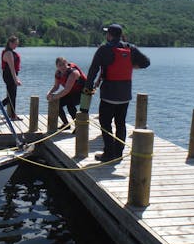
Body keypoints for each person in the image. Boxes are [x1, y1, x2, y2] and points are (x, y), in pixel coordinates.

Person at [85, 24, 150, 162]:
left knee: (105, 123)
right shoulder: (130, 48)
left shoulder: (103, 49)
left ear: (109, 35)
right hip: (125, 95)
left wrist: (88, 88)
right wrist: (129, 66)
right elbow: (146, 63)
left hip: (109, 95)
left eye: (106, 33)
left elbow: (93, 70)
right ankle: (118, 153)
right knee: (121, 123)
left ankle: (108, 153)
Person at [46, 57, 87, 130]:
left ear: (67, 64)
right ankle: (66, 124)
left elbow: (66, 90)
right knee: (57, 103)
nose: (62, 67)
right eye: (59, 65)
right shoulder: (58, 73)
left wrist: (54, 97)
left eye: (63, 64)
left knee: (70, 105)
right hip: (72, 92)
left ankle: (78, 127)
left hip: (83, 92)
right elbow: (56, 86)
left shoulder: (73, 73)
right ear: (57, 66)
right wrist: (49, 93)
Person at [0, 35, 22, 121]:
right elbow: (12, 67)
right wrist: (15, 79)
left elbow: (14, 69)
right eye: (15, 44)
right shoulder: (8, 53)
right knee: (11, 97)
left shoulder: (10, 52)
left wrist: (16, 78)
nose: (16, 46)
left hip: (11, 75)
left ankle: (10, 114)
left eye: (17, 44)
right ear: (10, 43)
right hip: (9, 76)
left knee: (12, 96)